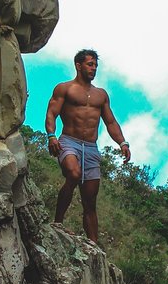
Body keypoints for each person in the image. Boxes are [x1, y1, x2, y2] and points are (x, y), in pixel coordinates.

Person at [44, 48, 130, 243]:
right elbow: (51, 113)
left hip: (91, 148)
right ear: (78, 65)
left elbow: (110, 122)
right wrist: (51, 136)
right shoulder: (65, 88)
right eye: (90, 64)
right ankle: (57, 222)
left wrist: (122, 142)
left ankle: (94, 245)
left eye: (96, 66)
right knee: (73, 173)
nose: (93, 68)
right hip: (68, 142)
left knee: (90, 202)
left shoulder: (101, 95)